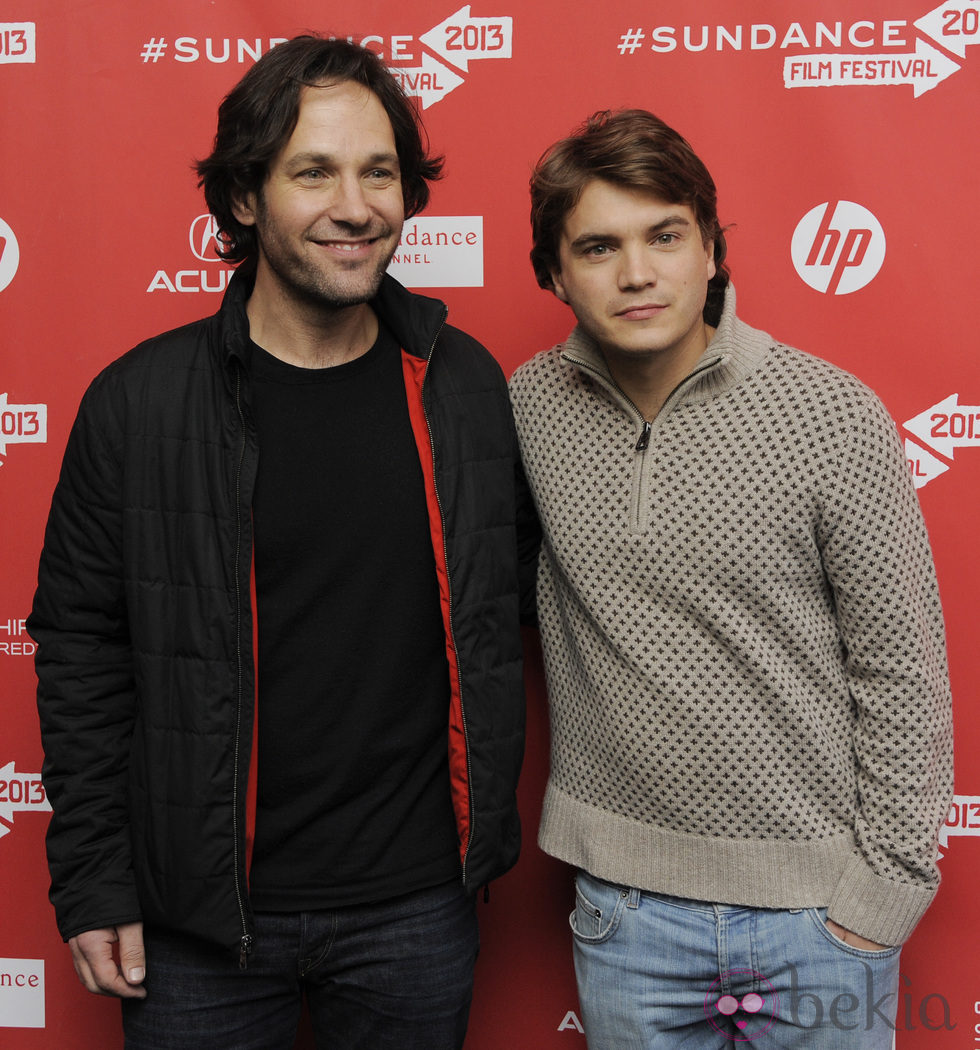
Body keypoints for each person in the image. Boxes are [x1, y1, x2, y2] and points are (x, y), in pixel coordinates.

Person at [29, 35, 535, 1050]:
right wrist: (93, 879)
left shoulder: (465, 387)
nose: (355, 205)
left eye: (378, 171)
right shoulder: (139, 404)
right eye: (314, 171)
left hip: (415, 910)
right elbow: (82, 653)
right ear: (246, 198)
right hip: (196, 927)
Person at [508, 109, 954, 1048]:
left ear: (710, 248)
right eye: (598, 246)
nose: (637, 272)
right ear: (553, 272)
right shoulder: (522, 412)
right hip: (626, 913)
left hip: (822, 918)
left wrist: (884, 896)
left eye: (665, 235)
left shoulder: (830, 413)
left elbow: (904, 673)